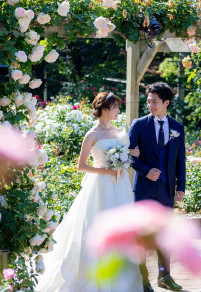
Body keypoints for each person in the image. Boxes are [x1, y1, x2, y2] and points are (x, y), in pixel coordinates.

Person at [36, 92, 143, 292]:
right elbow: (81, 166)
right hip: (100, 185)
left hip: (120, 186)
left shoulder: (120, 131)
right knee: (95, 227)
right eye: (115, 107)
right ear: (104, 109)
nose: (118, 111)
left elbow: (127, 156)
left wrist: (129, 155)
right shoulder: (92, 135)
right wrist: (104, 170)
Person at [129, 82, 186, 292]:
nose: (150, 105)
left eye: (154, 101)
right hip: (144, 188)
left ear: (166, 103)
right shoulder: (139, 125)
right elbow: (127, 156)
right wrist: (145, 170)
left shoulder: (177, 128)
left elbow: (181, 160)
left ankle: (165, 276)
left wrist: (181, 187)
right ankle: (143, 280)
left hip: (166, 189)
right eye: (148, 101)